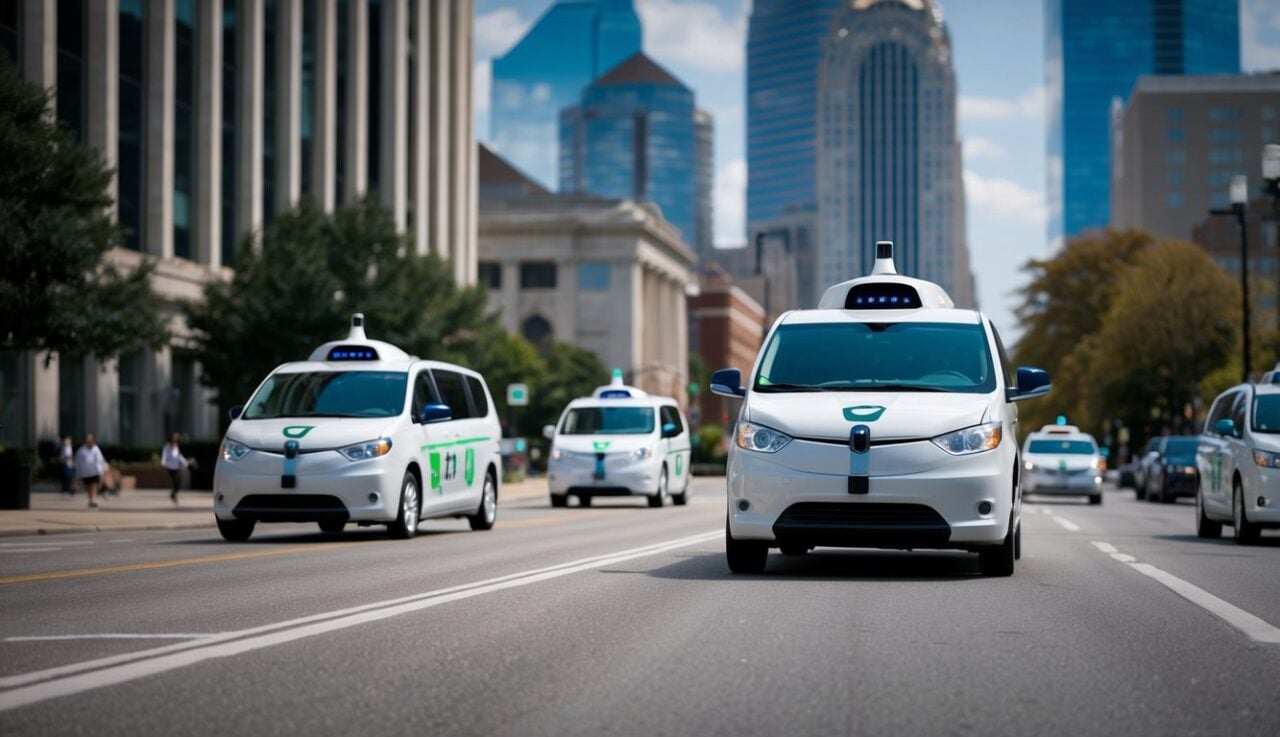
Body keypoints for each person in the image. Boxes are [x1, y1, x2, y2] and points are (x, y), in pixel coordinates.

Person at [74, 433, 107, 509]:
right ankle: (91, 499)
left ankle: (92, 500)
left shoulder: (96, 449)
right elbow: (78, 463)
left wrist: (103, 470)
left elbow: (100, 460)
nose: (89, 441)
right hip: (85, 472)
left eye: (90, 439)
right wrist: (77, 474)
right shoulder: (81, 451)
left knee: (93, 485)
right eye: (88, 439)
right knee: (89, 486)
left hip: (95, 471)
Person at [161, 432, 190, 504]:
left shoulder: (176, 446)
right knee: (175, 481)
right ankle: (174, 495)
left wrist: (185, 462)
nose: (175, 441)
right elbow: (164, 455)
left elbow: (179, 456)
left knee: (179, 481)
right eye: (174, 439)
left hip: (177, 466)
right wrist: (163, 462)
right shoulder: (167, 446)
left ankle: (173, 494)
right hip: (170, 467)